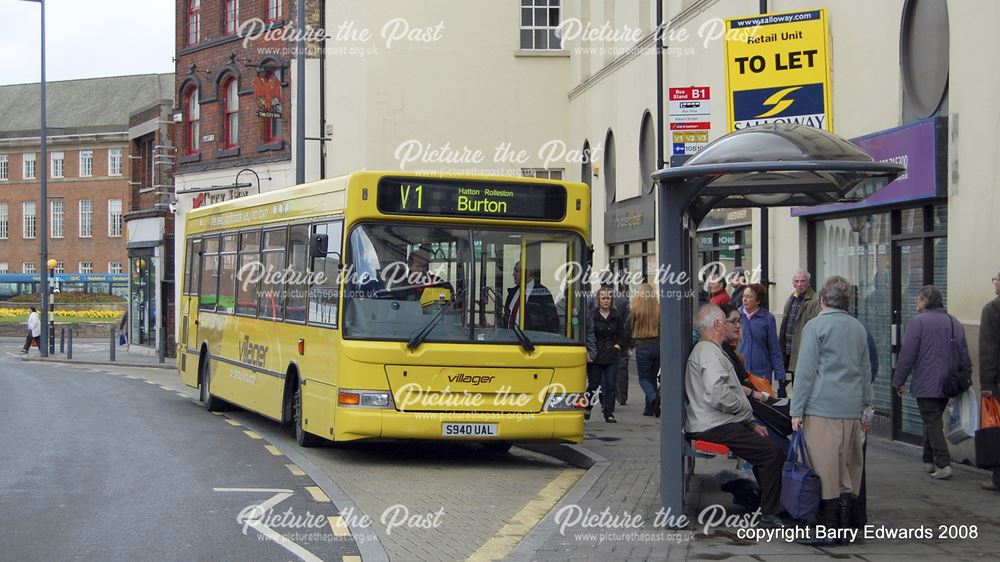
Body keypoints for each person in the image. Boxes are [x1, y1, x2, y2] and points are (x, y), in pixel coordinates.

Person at [684, 304, 787, 528]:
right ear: (717, 325)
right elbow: (718, 394)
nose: (732, 325)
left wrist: (750, 424)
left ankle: (769, 505)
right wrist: (745, 415)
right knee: (772, 453)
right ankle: (770, 513)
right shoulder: (709, 352)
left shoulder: (709, 349)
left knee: (766, 449)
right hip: (713, 423)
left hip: (715, 421)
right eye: (726, 321)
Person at [791, 275, 873, 543]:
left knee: (825, 469)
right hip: (850, 408)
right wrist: (865, 407)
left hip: (821, 407)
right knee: (848, 469)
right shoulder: (858, 328)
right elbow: (865, 370)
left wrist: (796, 409)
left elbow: (805, 372)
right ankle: (845, 525)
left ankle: (827, 528)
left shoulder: (815, 327)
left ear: (823, 299)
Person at [892, 285, 972, 480]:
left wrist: (898, 381)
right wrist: (965, 378)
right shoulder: (954, 322)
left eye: (918, 299)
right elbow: (964, 355)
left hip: (926, 384)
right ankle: (928, 461)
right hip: (947, 384)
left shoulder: (918, 322)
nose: (915, 303)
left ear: (925, 301)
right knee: (933, 420)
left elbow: (907, 355)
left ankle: (943, 463)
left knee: (932, 421)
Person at [585, 286, 628, 423]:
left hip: (611, 354)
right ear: (598, 300)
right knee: (593, 384)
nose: (606, 301)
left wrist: (617, 346)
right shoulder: (592, 315)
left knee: (610, 385)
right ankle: (587, 406)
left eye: (608, 298)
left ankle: (608, 413)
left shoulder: (616, 315)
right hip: (596, 355)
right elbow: (587, 334)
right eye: (603, 298)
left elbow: (622, 334)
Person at [737, 284, 787, 397]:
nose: (744, 299)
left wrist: (780, 376)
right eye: (744, 296)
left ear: (758, 301)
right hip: (741, 371)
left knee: (762, 406)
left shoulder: (767, 319)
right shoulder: (736, 316)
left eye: (749, 297)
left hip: (761, 373)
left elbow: (774, 349)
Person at [778, 268, 821, 396]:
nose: (800, 284)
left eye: (803, 281)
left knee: (799, 388)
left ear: (808, 282)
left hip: (801, 352)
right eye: (797, 281)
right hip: (787, 352)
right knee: (784, 388)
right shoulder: (792, 298)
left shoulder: (814, 301)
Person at [979, 271, 1000, 491]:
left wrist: (987, 385)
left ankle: (998, 478)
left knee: (996, 429)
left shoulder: (993, 309)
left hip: (998, 382)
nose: (995, 283)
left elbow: (988, 351)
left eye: (997, 279)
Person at [628, 283, 660, 416]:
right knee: (651, 377)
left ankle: (653, 399)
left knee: (643, 379)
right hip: (657, 345)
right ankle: (649, 409)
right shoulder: (659, 309)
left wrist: (628, 344)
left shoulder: (635, 309)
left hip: (642, 345)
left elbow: (628, 328)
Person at [502, 261, 559, 333]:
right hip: (508, 340)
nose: (513, 274)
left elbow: (553, 323)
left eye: (516, 271)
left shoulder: (542, 293)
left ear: (527, 272)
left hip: (530, 341)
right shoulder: (512, 293)